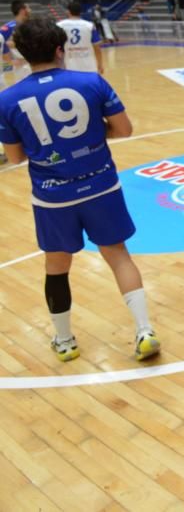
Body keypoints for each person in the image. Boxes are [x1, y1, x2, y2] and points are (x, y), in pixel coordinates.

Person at [0, 18, 161, 362]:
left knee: (56, 265)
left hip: (52, 196)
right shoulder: (92, 82)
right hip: (101, 186)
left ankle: (64, 340)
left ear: (25, 55)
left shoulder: (8, 99)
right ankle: (144, 330)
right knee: (118, 255)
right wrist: (91, 138)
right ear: (60, 50)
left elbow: (14, 157)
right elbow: (125, 129)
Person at [57, 2, 103, 74]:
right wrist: (100, 64)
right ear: (80, 12)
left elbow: (56, 48)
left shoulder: (59, 26)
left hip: (68, 67)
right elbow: (97, 47)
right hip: (89, 68)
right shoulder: (90, 26)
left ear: (68, 11)